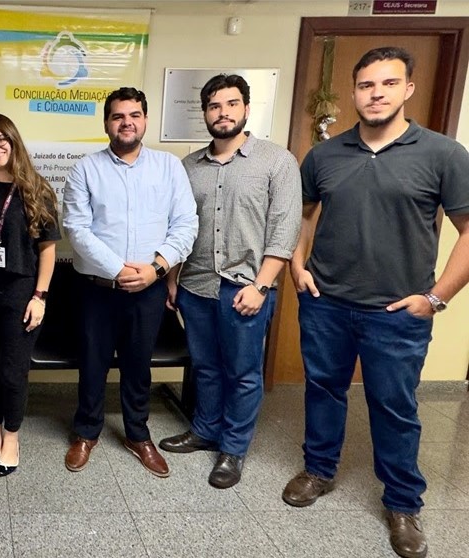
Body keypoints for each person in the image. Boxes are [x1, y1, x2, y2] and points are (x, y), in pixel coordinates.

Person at [280, 47, 469, 558]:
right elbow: (303, 215)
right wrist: (298, 265)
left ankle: (403, 503)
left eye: (388, 83)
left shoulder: (443, 154)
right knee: (323, 391)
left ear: (408, 88)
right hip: (326, 303)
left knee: (395, 407)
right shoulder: (324, 155)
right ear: (354, 92)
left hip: (397, 314)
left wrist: (436, 297)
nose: (376, 94)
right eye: (366, 85)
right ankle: (318, 470)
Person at [159, 74, 301, 489]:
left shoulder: (276, 161)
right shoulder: (188, 167)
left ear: (246, 109)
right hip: (195, 284)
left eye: (231, 104)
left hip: (245, 288)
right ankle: (205, 430)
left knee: (242, 372)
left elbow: (285, 229)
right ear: (205, 113)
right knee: (204, 367)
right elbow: (177, 227)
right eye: (215, 106)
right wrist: (173, 280)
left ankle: (233, 449)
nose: (223, 113)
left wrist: (262, 286)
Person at [61, 87, 198, 477]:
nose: (127, 122)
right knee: (93, 364)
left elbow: (186, 224)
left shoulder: (169, 167)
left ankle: (138, 434)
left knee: (139, 365)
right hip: (98, 289)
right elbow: (76, 228)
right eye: (118, 116)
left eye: (134, 115)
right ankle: (86, 432)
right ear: (106, 123)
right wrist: (118, 269)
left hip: (148, 289)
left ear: (145, 120)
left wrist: (156, 269)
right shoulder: (85, 169)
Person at [0, 113, 59, 477]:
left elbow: (48, 249)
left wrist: (40, 297)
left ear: (13, 141)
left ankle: (11, 439)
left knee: (12, 371)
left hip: (21, 292)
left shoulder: (36, 189)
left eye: (0, 140)